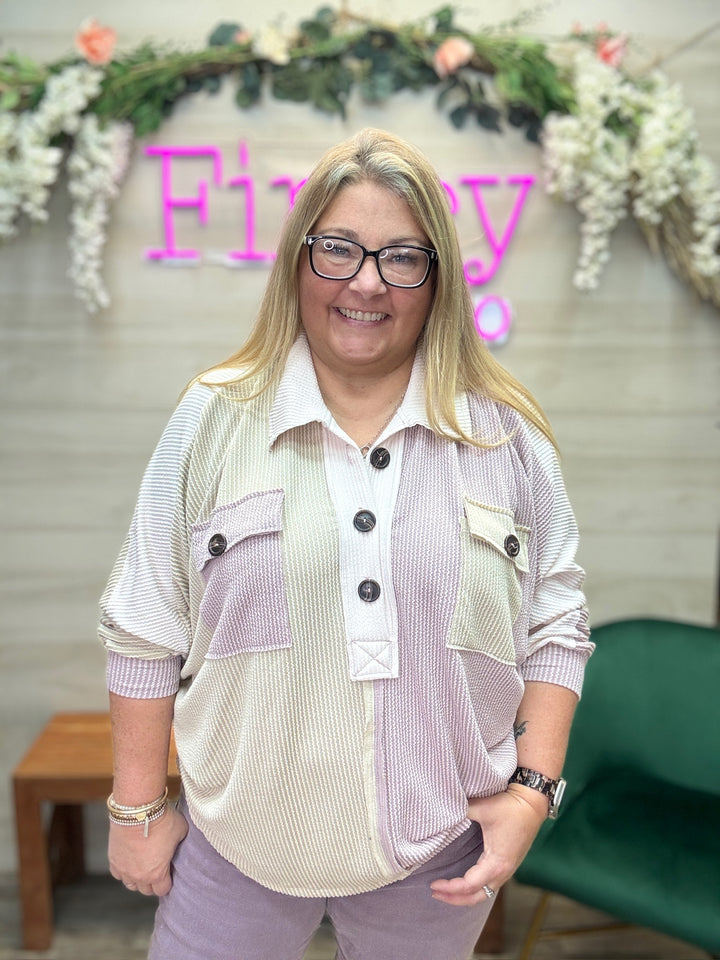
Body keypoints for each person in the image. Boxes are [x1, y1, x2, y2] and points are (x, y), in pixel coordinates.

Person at [99, 127, 593, 960]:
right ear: (297, 262)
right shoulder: (213, 418)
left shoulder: (506, 437)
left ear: (438, 282)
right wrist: (137, 809)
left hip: (439, 852)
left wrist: (532, 794)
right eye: (338, 250)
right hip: (237, 847)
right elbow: (144, 625)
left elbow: (556, 629)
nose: (366, 282)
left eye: (403, 257)